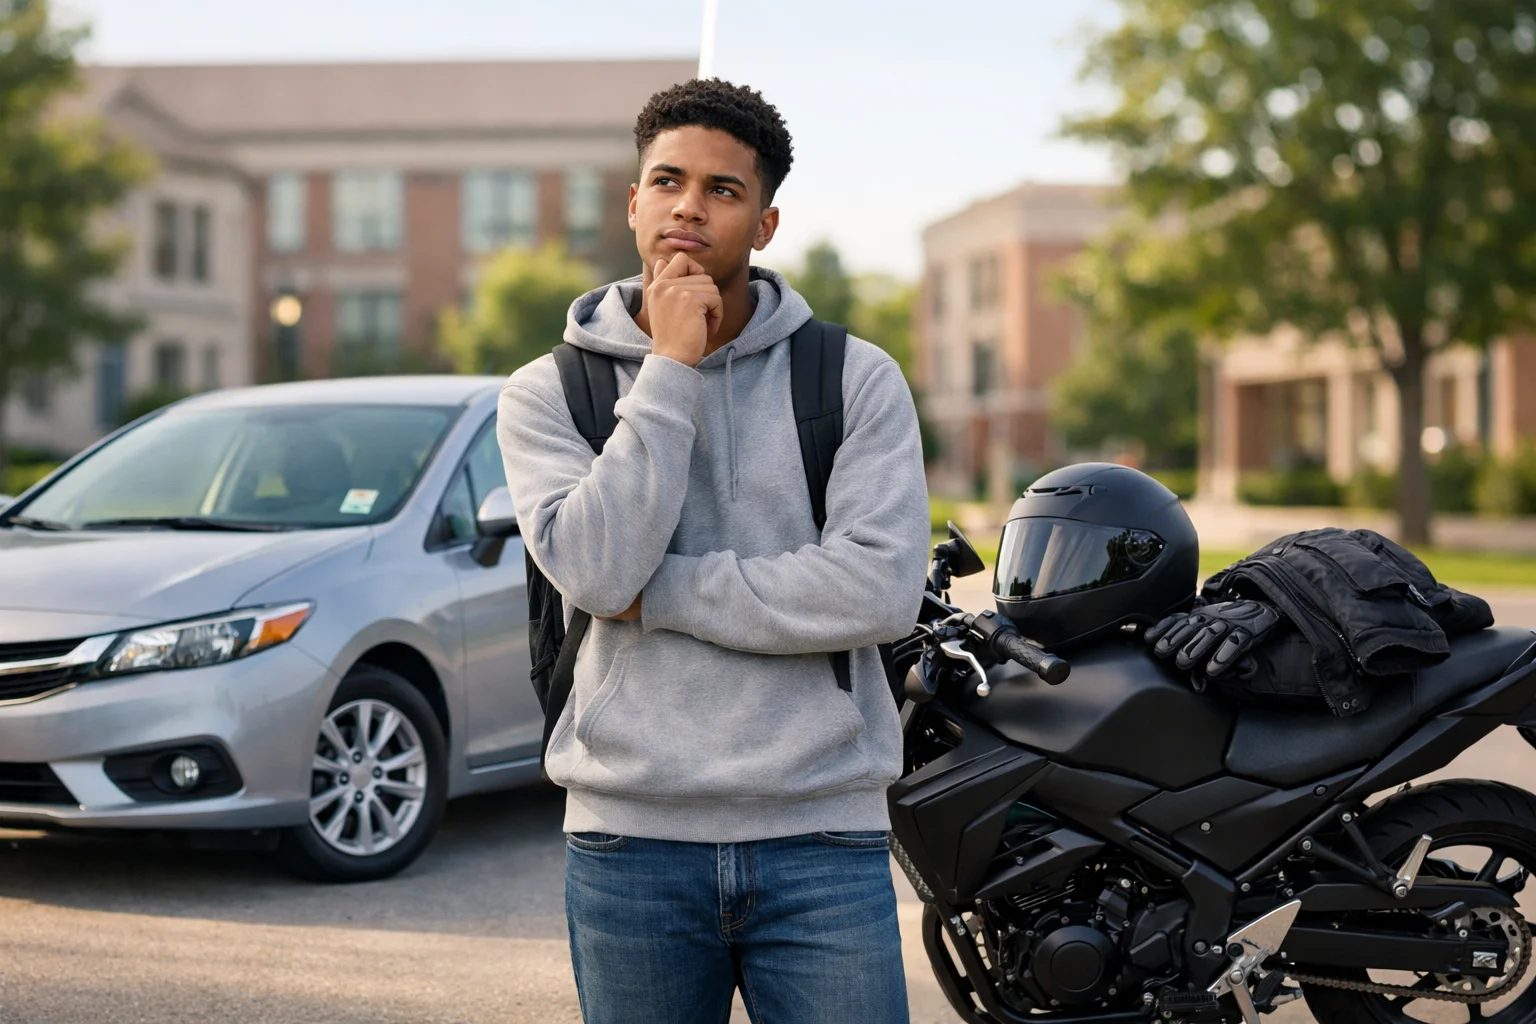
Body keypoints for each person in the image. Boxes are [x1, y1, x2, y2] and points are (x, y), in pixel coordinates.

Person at [497, 77, 931, 1024]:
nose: (689, 206)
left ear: (765, 223)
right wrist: (671, 370)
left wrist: (663, 595)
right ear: (634, 202)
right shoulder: (546, 393)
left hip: (820, 835)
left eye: (723, 190)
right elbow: (599, 571)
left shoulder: (852, 377)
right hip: (629, 843)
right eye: (667, 180)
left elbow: (879, 590)